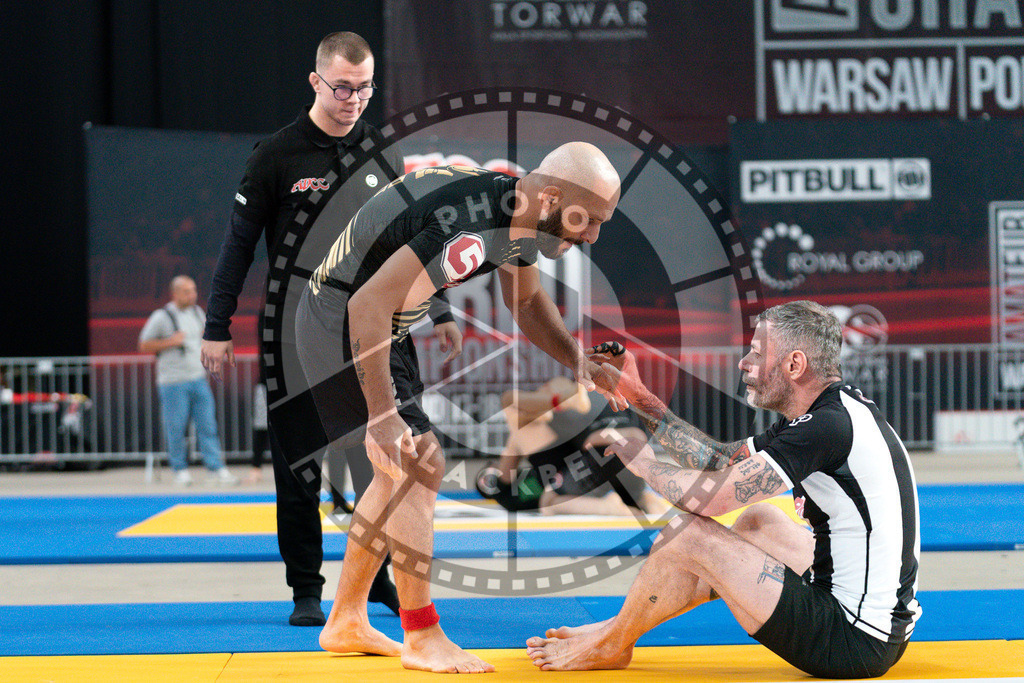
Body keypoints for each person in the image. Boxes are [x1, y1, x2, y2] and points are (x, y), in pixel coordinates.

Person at [295, 142, 622, 673]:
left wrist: (578, 360)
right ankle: (421, 635)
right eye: (590, 220)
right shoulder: (470, 229)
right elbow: (366, 304)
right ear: (550, 198)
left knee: (397, 472)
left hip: (375, 322)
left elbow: (526, 302)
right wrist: (382, 415)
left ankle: (347, 618)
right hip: (346, 320)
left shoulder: (515, 214)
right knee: (418, 464)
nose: (593, 236)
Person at [199, 31, 462, 626]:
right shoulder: (276, 155)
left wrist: (440, 308)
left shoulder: (381, 152)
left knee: (383, 461)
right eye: (342, 88)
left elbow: (413, 242)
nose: (354, 100)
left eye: (364, 89)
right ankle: (306, 589)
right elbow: (238, 245)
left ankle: (377, 583)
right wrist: (217, 325)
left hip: (369, 332)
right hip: (292, 335)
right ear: (316, 81)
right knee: (300, 468)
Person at [527, 301, 921, 679]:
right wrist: (640, 398)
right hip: (877, 627)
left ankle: (611, 643)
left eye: (756, 353)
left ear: (794, 365)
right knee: (760, 520)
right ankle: (619, 626)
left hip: (852, 642)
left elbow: (710, 498)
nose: (744, 363)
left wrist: (642, 462)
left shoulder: (825, 427)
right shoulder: (828, 413)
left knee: (689, 533)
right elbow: (718, 460)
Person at [477, 377, 668, 516]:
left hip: (598, 456)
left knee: (548, 502)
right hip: (617, 454)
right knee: (514, 408)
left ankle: (619, 506)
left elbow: (512, 404)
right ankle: (641, 500)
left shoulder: (525, 434)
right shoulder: (542, 422)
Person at [139, 275, 238, 486]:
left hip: (198, 378)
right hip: (173, 382)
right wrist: (170, 342)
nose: (192, 295)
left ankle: (216, 469)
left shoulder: (197, 312)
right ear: (174, 294)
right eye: (187, 292)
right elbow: (144, 345)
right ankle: (180, 470)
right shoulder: (161, 316)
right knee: (176, 427)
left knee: (208, 425)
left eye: (193, 290)